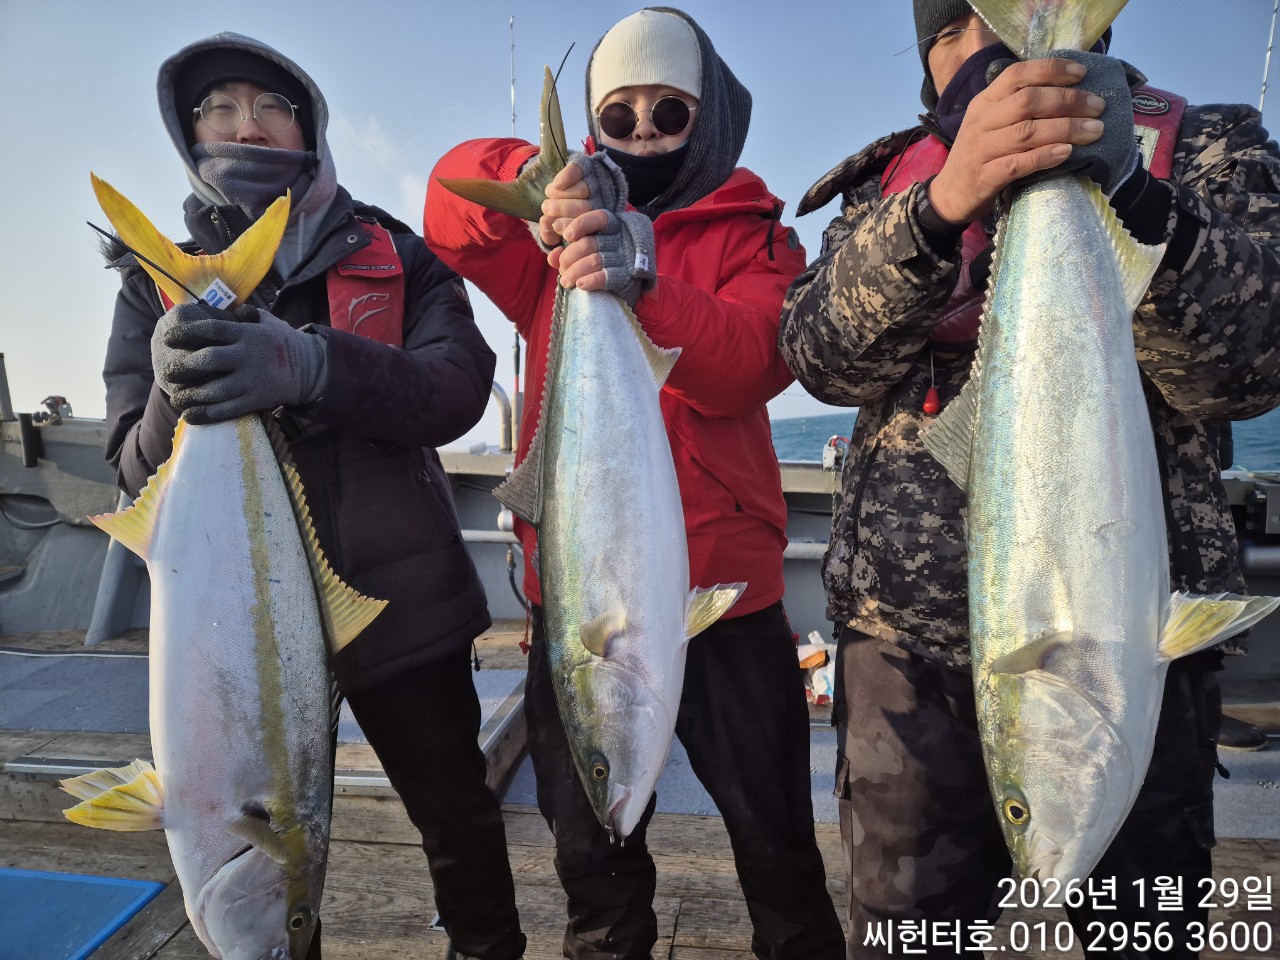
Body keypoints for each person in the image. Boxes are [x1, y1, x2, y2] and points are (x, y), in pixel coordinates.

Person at [777, 2, 1280, 957]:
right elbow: (818, 357)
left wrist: (1135, 193)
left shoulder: (1207, 147)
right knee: (913, 943)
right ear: (926, 58)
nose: (987, 40)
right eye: (954, 25)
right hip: (904, 655)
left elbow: (1255, 365)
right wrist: (939, 205)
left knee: (1145, 938)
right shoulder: (886, 181)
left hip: (1137, 639)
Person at [423, 8, 845, 960]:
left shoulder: (757, 237)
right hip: (585, 600)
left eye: (670, 111)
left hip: (725, 599)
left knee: (778, 846)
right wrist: (548, 182)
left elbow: (752, 361)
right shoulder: (550, 246)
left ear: (711, 118)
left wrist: (645, 276)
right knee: (593, 860)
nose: (645, 129)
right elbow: (447, 204)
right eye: (619, 115)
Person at [101, 33, 526, 960]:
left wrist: (310, 365)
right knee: (272, 826)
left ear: (309, 127)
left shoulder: (395, 251)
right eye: (220, 108)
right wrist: (176, 382)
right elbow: (132, 470)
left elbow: (458, 387)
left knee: (458, 818)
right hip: (230, 632)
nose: (246, 124)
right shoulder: (154, 282)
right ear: (190, 131)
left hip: (401, 603)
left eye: (270, 106)